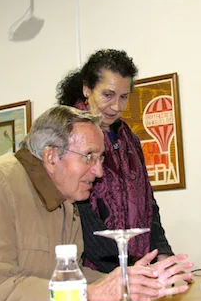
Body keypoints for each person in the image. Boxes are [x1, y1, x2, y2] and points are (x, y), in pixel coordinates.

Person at [0, 106, 193, 301]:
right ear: (50, 157)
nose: (99, 171)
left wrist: (126, 282)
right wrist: (89, 294)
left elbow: (71, 275)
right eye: (89, 156)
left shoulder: (67, 203)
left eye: (101, 158)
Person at [57, 49, 176, 273]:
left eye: (123, 97)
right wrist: (121, 266)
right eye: (108, 95)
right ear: (87, 89)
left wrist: (161, 251)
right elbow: (77, 211)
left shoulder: (128, 138)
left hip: (137, 268)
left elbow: (147, 200)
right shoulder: (67, 133)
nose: (117, 107)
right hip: (95, 270)